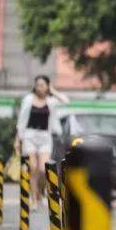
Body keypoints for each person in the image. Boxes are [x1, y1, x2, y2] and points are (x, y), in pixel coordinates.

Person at [14, 75, 69, 210]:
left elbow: (66, 101)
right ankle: (34, 198)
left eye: (42, 85)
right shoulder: (28, 99)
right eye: (37, 84)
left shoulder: (51, 101)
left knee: (43, 169)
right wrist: (17, 140)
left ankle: (41, 193)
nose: (39, 87)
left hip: (45, 137)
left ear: (47, 86)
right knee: (33, 168)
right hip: (29, 136)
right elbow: (21, 120)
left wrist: (52, 90)